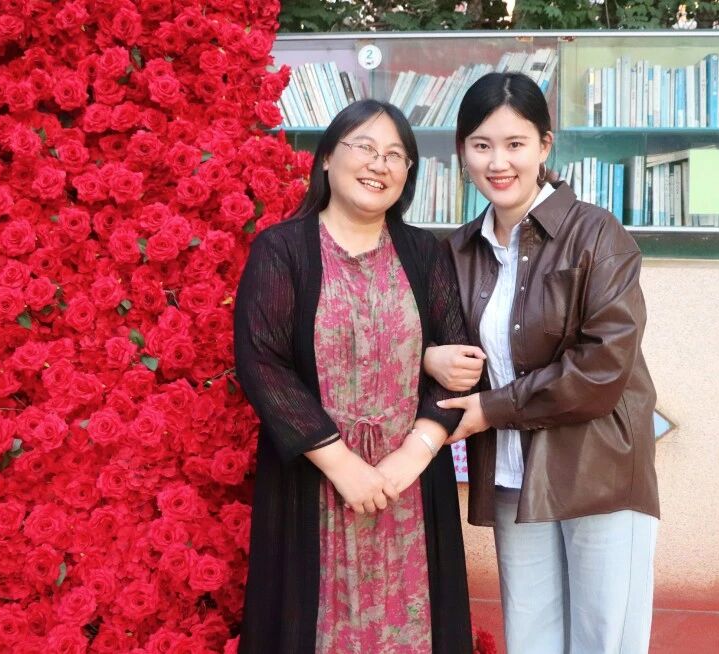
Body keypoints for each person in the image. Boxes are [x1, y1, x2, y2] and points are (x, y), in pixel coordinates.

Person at [425, 72, 660, 654]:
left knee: (605, 638)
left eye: (515, 143)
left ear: (544, 145)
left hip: (599, 470)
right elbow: (431, 339)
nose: (497, 162)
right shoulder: (457, 250)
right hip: (513, 474)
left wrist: (491, 409)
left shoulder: (596, 233)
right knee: (531, 637)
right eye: (481, 145)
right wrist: (430, 356)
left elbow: (603, 366)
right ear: (462, 152)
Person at [234, 99, 473, 654]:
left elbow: (457, 363)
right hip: (315, 479)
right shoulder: (282, 249)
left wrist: (410, 456)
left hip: (410, 483)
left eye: (395, 155)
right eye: (364, 147)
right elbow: (263, 362)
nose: (379, 164)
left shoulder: (424, 252)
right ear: (326, 158)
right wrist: (343, 466)